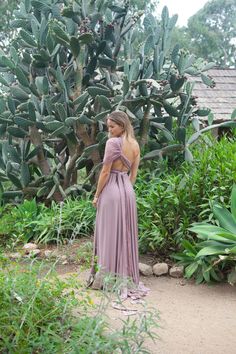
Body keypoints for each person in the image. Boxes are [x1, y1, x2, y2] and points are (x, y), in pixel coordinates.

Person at [87, 111, 149, 299]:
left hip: (111, 189)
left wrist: (97, 195)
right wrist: (125, 190)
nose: (109, 130)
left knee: (108, 233)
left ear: (122, 125)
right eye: (108, 126)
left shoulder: (113, 143)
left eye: (112, 126)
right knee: (125, 234)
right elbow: (134, 175)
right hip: (127, 191)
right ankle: (125, 278)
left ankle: (107, 279)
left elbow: (105, 171)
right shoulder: (135, 144)